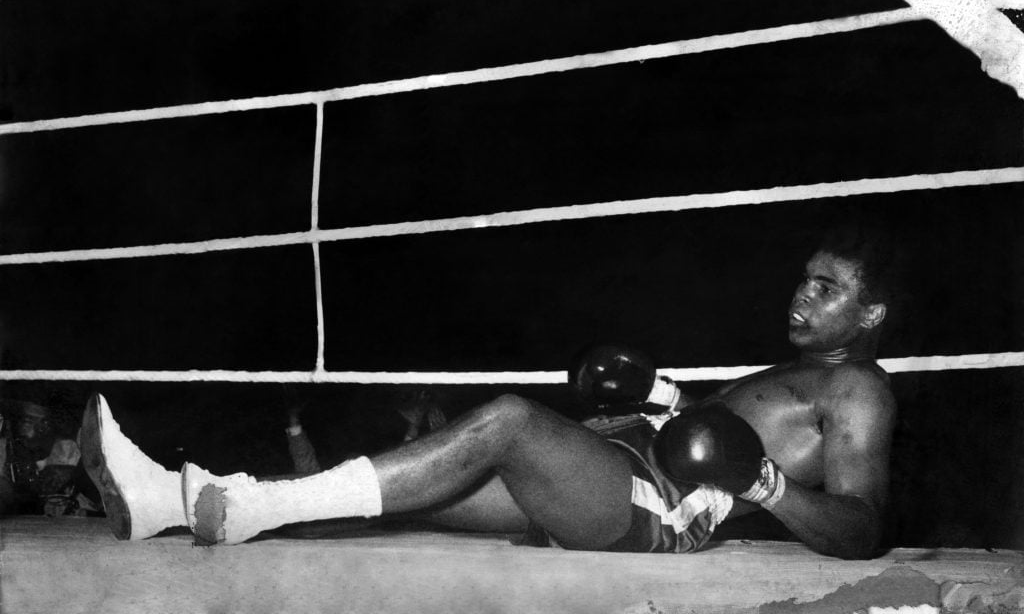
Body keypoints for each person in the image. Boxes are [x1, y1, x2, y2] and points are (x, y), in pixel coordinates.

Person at [80, 225, 898, 559]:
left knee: (507, 419)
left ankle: (241, 511)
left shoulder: (859, 388)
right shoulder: (799, 376)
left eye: (826, 289)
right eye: (804, 280)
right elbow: (712, 432)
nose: (800, 297)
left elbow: (862, 530)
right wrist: (663, 397)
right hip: (623, 469)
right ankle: (170, 503)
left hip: (656, 509)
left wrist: (765, 485)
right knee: (408, 493)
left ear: (871, 313)